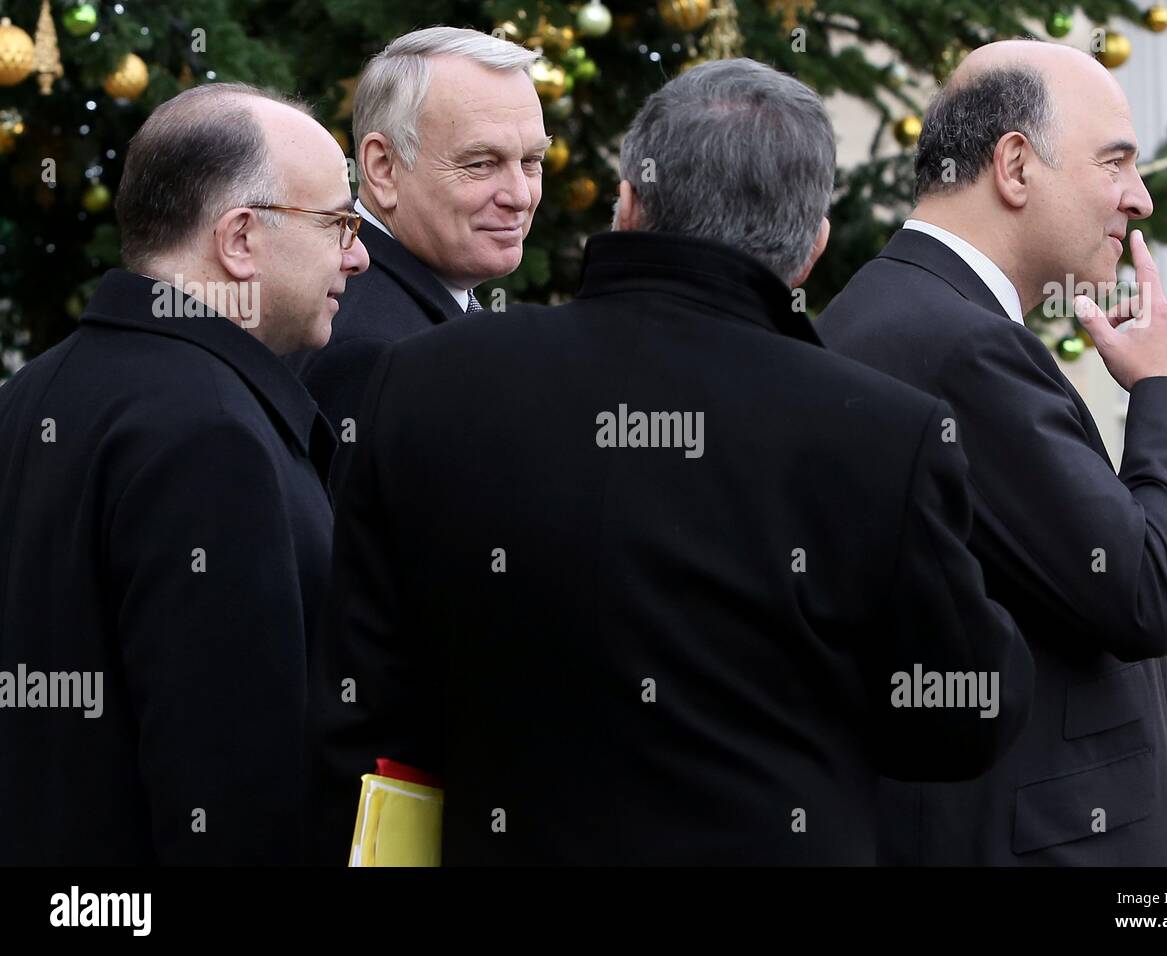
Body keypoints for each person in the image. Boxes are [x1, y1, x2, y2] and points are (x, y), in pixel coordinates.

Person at [306, 58, 1034, 865]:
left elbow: (364, 701)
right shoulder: (882, 435)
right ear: (813, 249)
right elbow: (967, 713)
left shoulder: (432, 381)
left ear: (627, 204)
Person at [818, 40, 1167, 865]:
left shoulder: (888, 306)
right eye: (1116, 163)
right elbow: (1141, 591)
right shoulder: (960, 346)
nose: (1141, 200)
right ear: (1015, 165)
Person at [0, 82, 368, 864]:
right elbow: (231, 791)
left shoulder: (29, 393)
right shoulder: (215, 434)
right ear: (240, 239)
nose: (358, 253)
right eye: (338, 222)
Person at [286, 25, 548, 479]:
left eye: (531, 162)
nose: (520, 195)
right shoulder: (370, 351)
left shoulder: (388, 308)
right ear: (383, 168)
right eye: (481, 163)